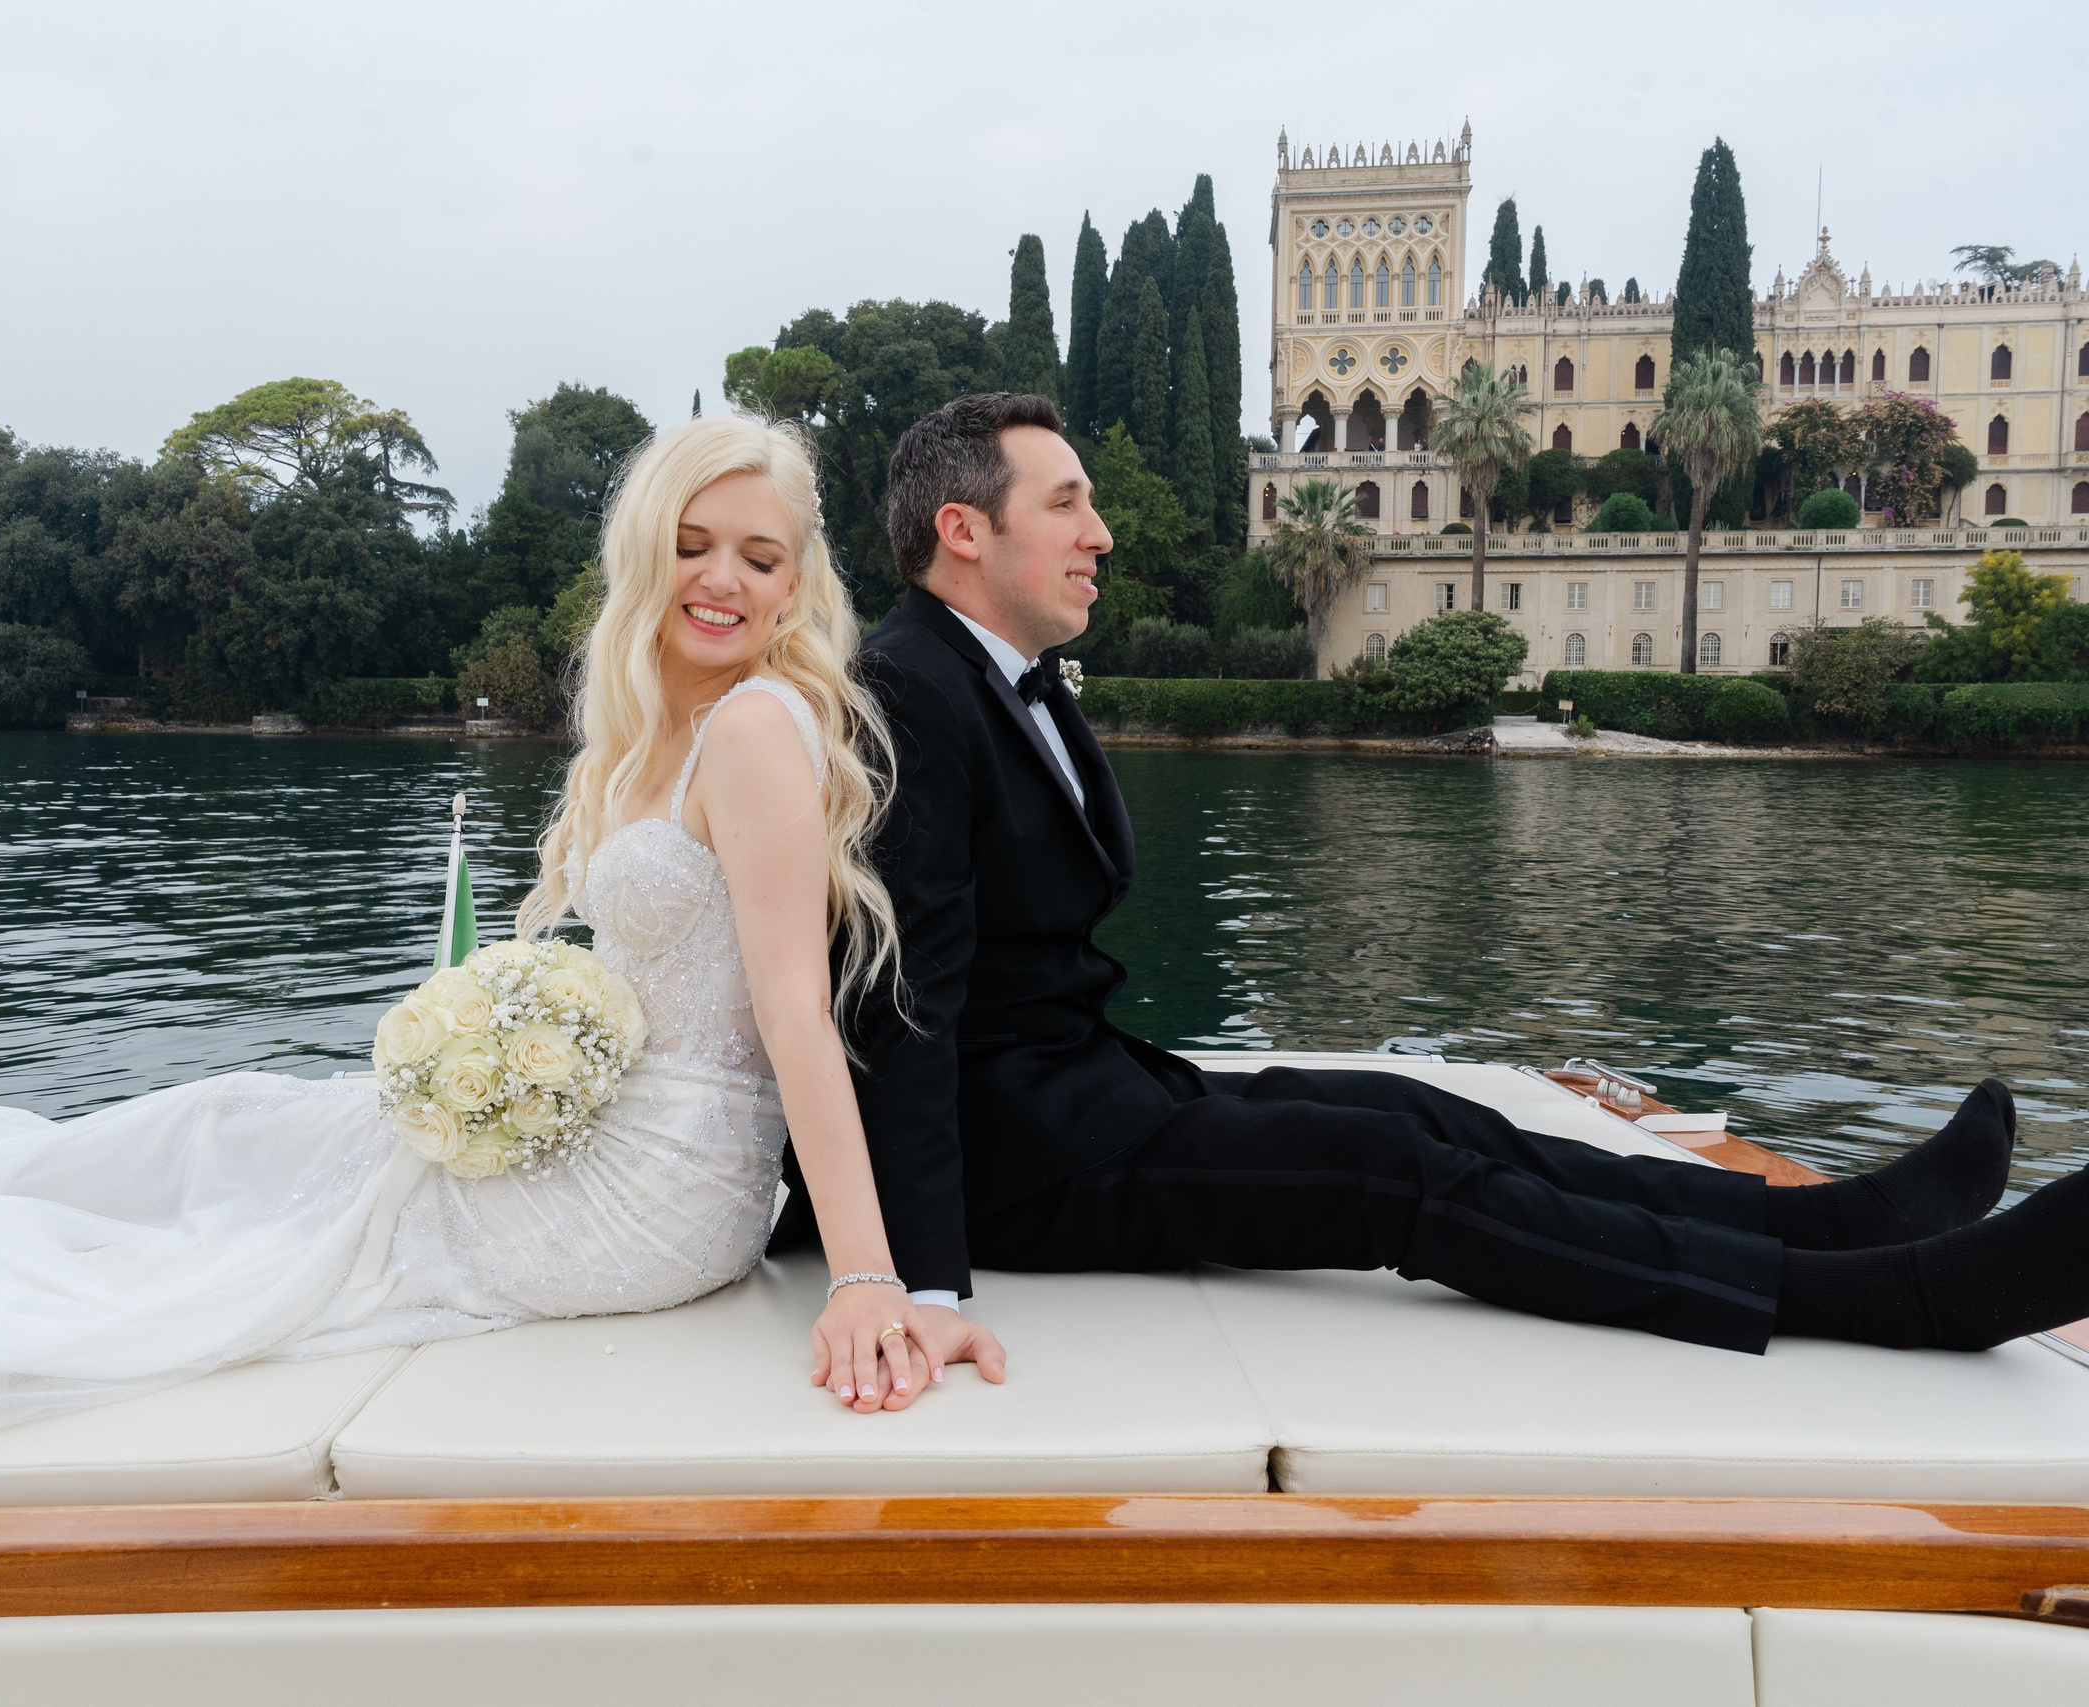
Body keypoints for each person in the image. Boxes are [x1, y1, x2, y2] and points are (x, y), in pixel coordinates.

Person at [0, 413, 994, 1455]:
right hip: (616, 1130)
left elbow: (791, 1016)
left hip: (654, 1187)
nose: (723, 580)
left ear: (794, 582)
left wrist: (871, 1279)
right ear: (648, 550)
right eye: (696, 544)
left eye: (760, 558)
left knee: (255, 1221)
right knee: (232, 1124)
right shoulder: (661, 735)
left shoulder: (758, 727)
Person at [787, 389, 2089, 1359]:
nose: (1103, 533)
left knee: (1430, 1115)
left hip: (1090, 1099)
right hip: (1028, 1163)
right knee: (1392, 1181)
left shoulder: (996, 679)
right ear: (964, 529)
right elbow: (903, 1008)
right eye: (1067, 502)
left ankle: (1822, 1223)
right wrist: (925, 1285)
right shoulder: (910, 691)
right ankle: (1888, 1301)